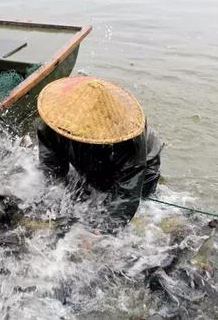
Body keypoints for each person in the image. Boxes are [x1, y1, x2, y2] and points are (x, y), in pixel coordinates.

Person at [36, 76, 163, 226]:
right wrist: (46, 201)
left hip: (142, 166)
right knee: (79, 197)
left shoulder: (127, 139)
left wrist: (102, 230)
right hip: (92, 161)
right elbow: (52, 170)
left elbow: (127, 193)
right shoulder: (51, 125)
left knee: (138, 208)